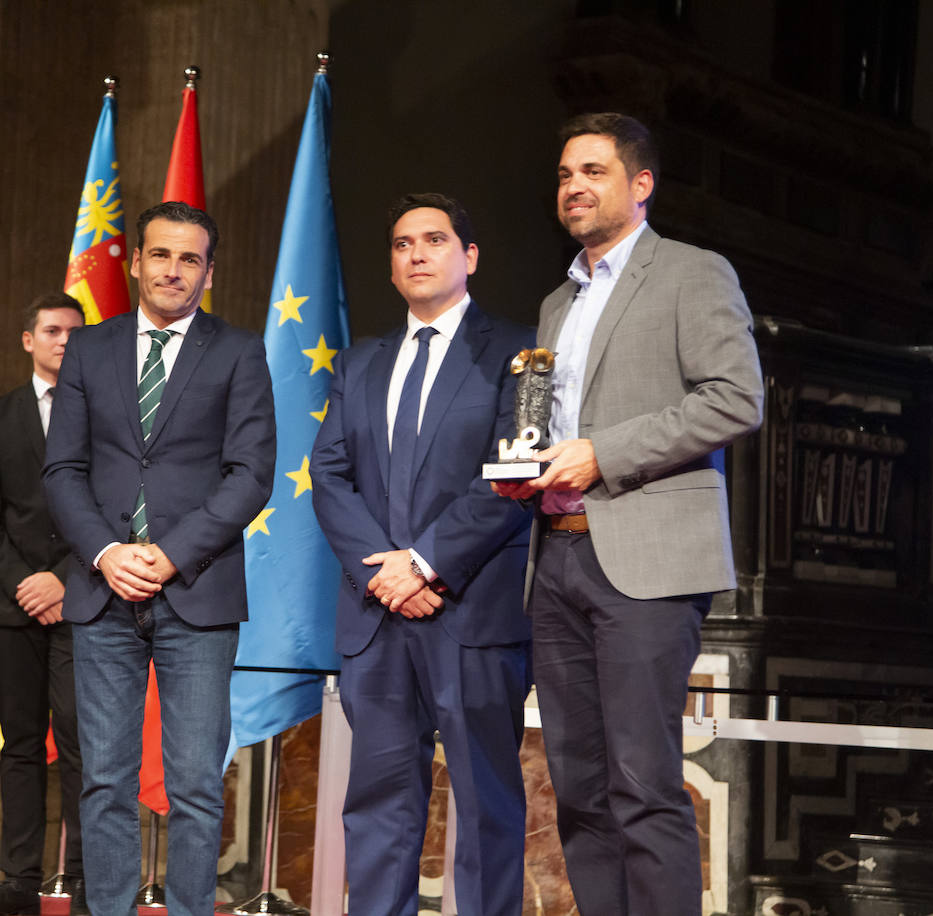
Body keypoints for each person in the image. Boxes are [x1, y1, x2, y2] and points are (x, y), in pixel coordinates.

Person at [493, 113, 764, 915]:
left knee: (643, 785)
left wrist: (603, 453)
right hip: (560, 557)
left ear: (640, 186)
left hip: (645, 561)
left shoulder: (692, 272)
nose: (573, 186)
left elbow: (736, 398)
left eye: (594, 172)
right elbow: (553, 426)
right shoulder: (555, 303)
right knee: (577, 786)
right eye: (565, 174)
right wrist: (528, 471)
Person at [42, 201, 276, 916]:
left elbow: (251, 473)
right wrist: (109, 552)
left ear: (210, 273)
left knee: (197, 786)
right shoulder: (89, 349)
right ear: (135, 261)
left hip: (196, 592)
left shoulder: (238, 351)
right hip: (101, 592)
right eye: (161, 255)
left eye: (190, 259)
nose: (173, 270)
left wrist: (169, 555)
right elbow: (62, 470)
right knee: (105, 780)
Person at [310, 193, 533, 916]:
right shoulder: (362, 361)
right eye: (403, 243)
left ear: (469, 257)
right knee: (377, 804)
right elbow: (329, 475)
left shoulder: (518, 353)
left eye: (435, 240)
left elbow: (512, 474)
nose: (416, 254)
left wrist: (426, 562)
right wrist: (388, 573)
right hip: (378, 616)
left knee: (486, 803)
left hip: (471, 613)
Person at [0, 292, 88, 916]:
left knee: (82, 744)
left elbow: (118, 508)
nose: (64, 341)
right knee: (19, 743)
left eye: (74, 332)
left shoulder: (104, 415)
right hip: (13, 607)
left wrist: (62, 579)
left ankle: (91, 883)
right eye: (52, 330)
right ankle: (20, 883)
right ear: (28, 339)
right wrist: (27, 583)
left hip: (83, 600)